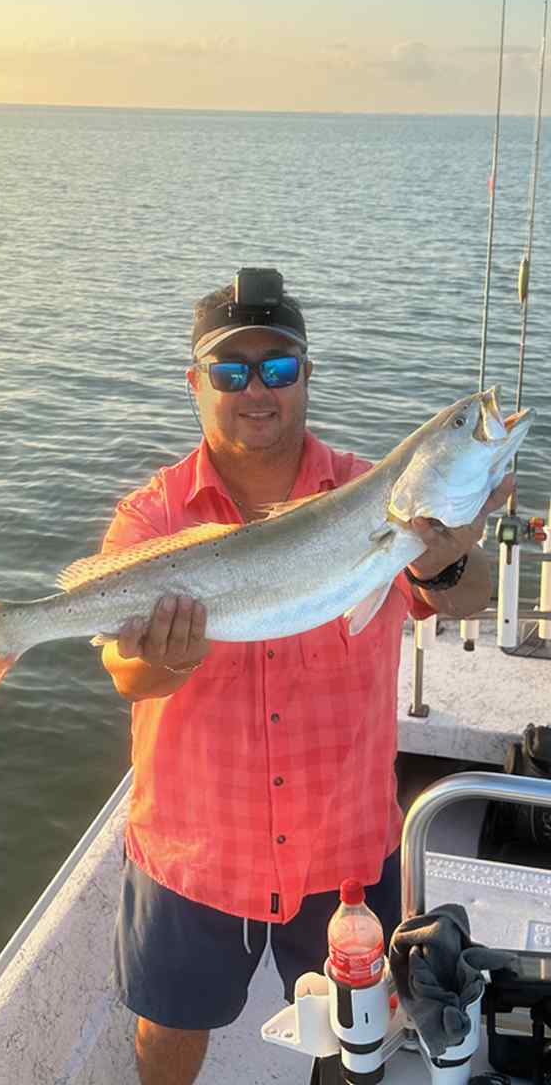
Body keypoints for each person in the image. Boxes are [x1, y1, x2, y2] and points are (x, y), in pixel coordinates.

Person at [99, 269, 510, 1085]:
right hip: (195, 846)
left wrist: (450, 555)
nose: (258, 391)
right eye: (232, 371)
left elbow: (469, 596)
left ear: (307, 377)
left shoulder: (376, 497)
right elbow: (125, 672)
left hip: (342, 846)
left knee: (359, 1040)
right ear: (196, 383)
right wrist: (160, 659)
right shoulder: (153, 517)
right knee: (169, 1029)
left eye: (279, 369)